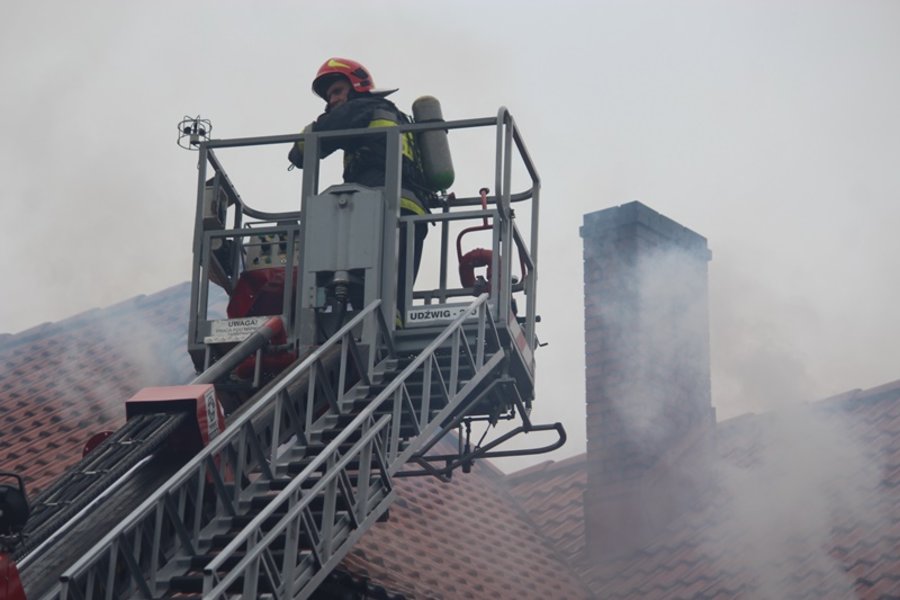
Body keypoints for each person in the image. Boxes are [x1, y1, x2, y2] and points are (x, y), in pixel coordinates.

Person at [289, 57, 431, 324]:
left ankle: (372, 332)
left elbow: (303, 150)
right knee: (394, 295)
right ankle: (391, 331)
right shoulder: (398, 117)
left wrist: (319, 123)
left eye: (337, 91)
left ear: (357, 86)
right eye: (329, 96)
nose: (332, 100)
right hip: (413, 216)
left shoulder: (361, 108)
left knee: (365, 288)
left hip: (378, 212)